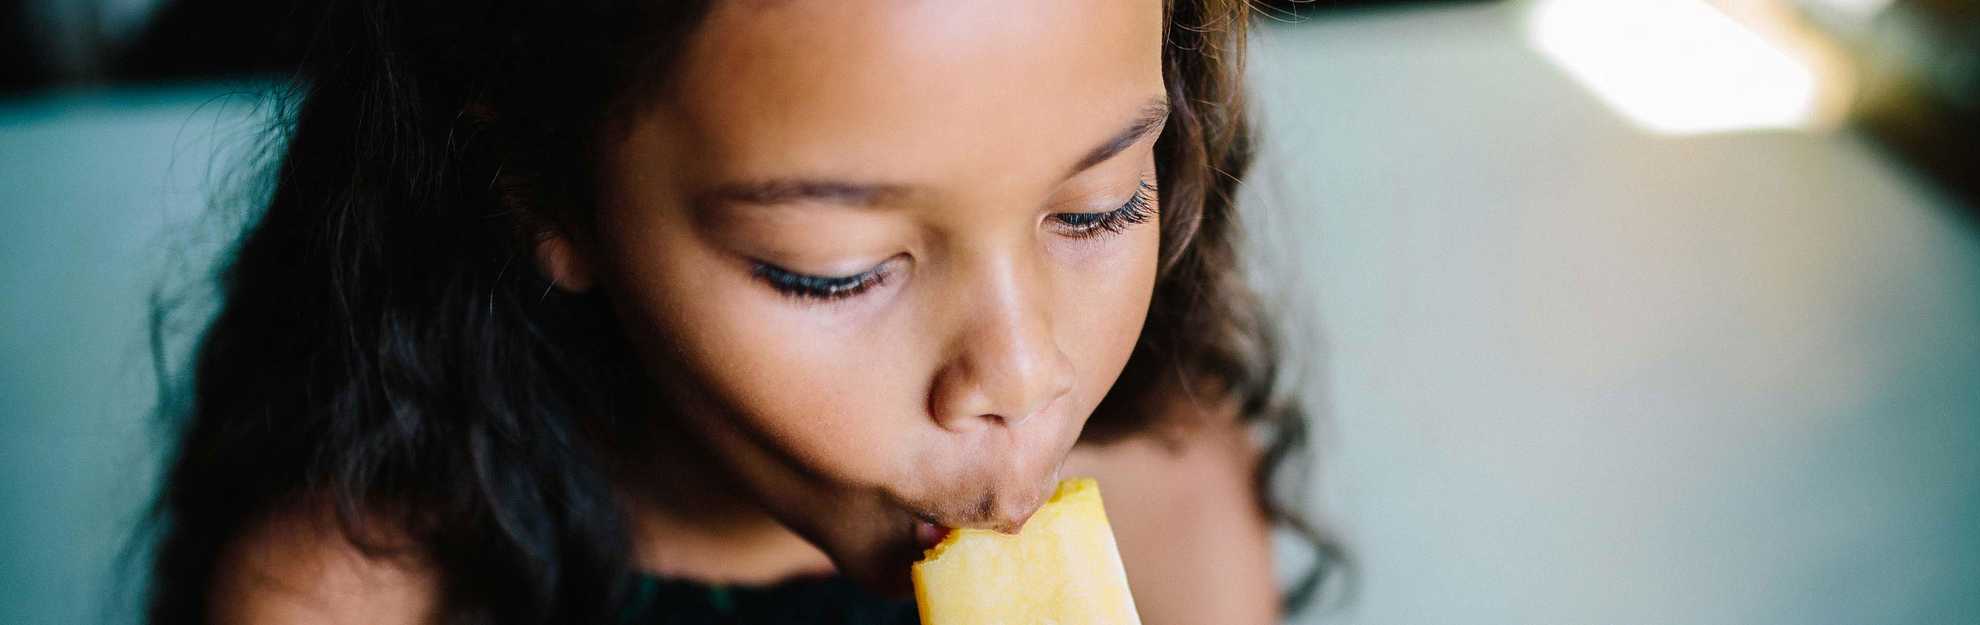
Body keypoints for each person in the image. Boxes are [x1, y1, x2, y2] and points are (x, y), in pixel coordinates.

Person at [144, 1, 1335, 623]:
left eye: (1096, 209)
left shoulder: (1176, 515)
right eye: (834, 270)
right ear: (549, 194)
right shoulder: (356, 600)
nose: (1025, 378)